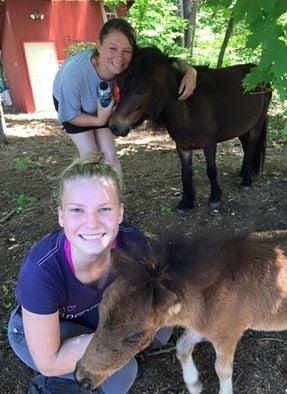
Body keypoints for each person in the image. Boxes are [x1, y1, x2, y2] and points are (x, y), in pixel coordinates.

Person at [8, 154, 172, 394]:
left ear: (120, 213)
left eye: (104, 209)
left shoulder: (133, 242)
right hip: (44, 332)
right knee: (122, 375)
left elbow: (151, 299)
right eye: (77, 210)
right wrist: (119, 343)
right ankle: (50, 387)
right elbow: (49, 361)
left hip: (93, 316)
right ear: (61, 216)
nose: (92, 223)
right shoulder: (41, 270)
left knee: (162, 333)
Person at [53, 18, 197, 182]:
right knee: (91, 157)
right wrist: (99, 119)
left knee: (110, 156)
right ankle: (94, 203)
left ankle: (115, 202)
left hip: (104, 106)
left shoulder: (129, 61)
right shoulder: (73, 77)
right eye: (112, 48)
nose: (119, 58)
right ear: (99, 46)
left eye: (126, 51)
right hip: (75, 111)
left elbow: (163, 64)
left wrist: (190, 71)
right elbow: (70, 116)